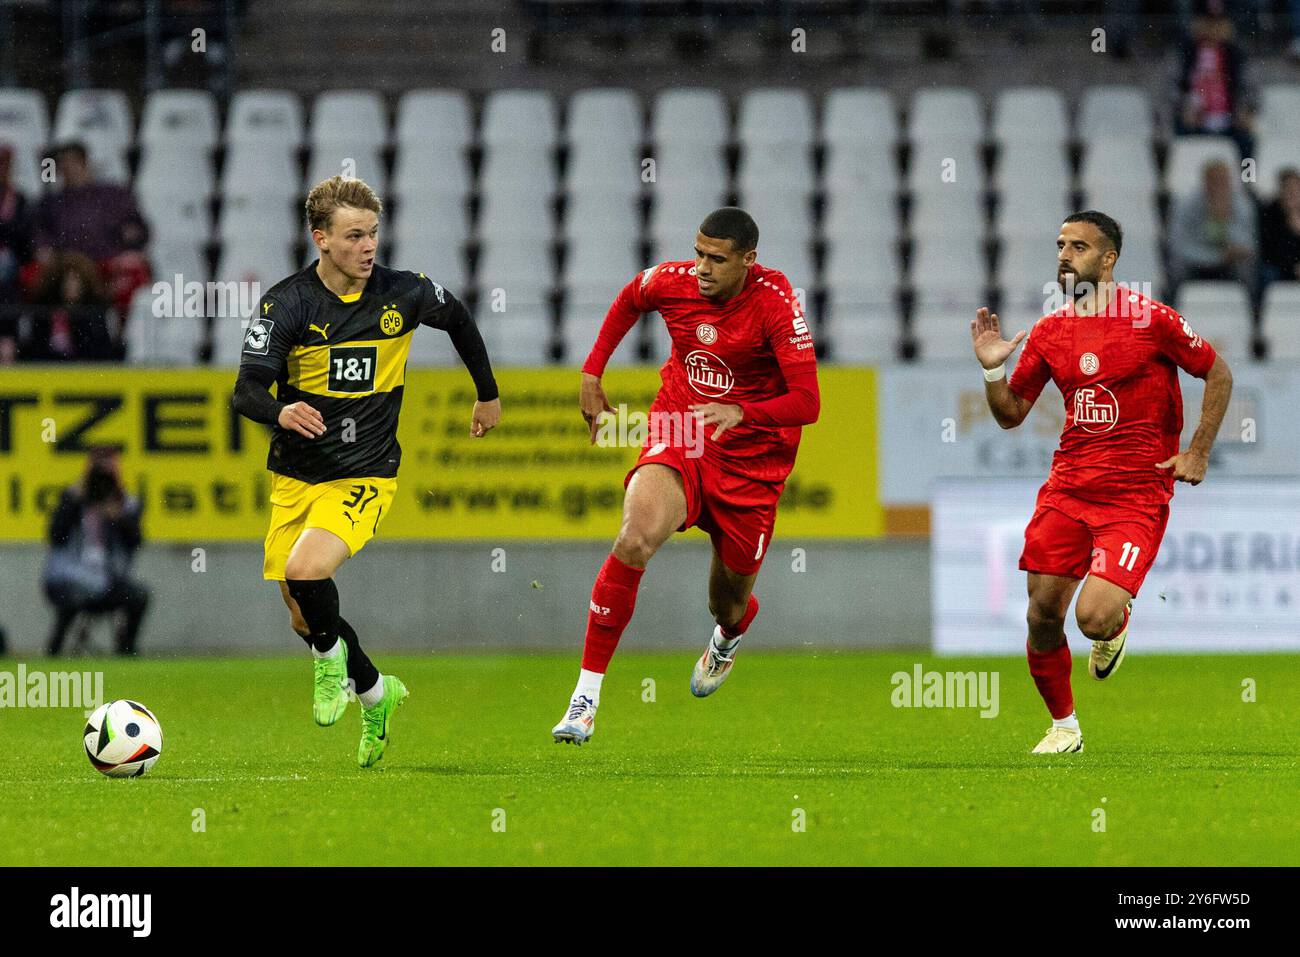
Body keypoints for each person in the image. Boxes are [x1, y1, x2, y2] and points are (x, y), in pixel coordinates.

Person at [232, 175, 501, 768]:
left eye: (373, 233)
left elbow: (457, 318)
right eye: (354, 235)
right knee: (304, 611)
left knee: (308, 572)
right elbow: (245, 391)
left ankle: (330, 667)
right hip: (296, 475)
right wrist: (280, 408)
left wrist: (487, 393)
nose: (368, 246)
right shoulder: (288, 304)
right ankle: (377, 694)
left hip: (365, 472)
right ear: (321, 238)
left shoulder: (402, 293)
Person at [551, 207, 820, 745]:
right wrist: (592, 369)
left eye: (716, 259)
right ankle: (585, 698)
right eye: (698, 252)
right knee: (633, 539)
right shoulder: (674, 282)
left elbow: (808, 402)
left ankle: (729, 633)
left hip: (753, 463)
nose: (701, 267)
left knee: (729, 602)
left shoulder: (774, 301)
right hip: (684, 431)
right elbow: (632, 296)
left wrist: (744, 412)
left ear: (748, 261)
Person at [972, 210, 1232, 754]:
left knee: (1091, 618)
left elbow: (1218, 372)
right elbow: (1011, 413)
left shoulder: (1151, 320)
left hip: (1136, 494)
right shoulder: (1048, 332)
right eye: (1062, 244)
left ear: (1109, 259)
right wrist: (993, 370)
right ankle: (1065, 727)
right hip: (1068, 490)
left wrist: (1199, 452)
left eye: (1080, 247)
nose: (1065, 255)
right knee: (1042, 614)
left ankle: (1115, 624)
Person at [43, 448, 149, 656]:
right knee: (72, 591)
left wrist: (118, 518)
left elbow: (135, 542)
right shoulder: (72, 499)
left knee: (139, 596)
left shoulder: (125, 503)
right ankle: (54, 649)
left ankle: (126, 650)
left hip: (106, 580)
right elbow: (55, 536)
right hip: (69, 578)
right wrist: (74, 501)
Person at [28, 141, 150, 318]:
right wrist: (43, 249)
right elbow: (40, 235)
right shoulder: (51, 202)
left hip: (109, 265)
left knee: (135, 276)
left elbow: (140, 231)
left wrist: (132, 248)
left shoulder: (114, 195)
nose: (68, 168)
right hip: (68, 267)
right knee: (31, 278)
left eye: (72, 162)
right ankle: (56, 335)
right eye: (63, 164)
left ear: (84, 162)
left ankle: (125, 336)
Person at [1173, 0, 1256, 160]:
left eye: (1219, 23)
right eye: (1209, 23)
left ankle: (1248, 180)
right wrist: (1182, 106)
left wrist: (1245, 109)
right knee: (1173, 139)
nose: (1214, 29)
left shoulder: (1236, 55)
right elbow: (1168, 86)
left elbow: (1250, 87)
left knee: (1248, 140)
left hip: (1228, 118)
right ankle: (1170, 181)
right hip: (1194, 118)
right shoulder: (1184, 53)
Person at [1168, 159, 1257, 294]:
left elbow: (1247, 244)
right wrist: (1217, 257)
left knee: (1248, 269)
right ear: (1205, 182)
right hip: (1194, 265)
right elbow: (1178, 246)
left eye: (1223, 181)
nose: (1219, 187)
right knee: (1176, 269)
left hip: (1229, 266)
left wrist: (1225, 221)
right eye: (1214, 181)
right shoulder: (1186, 204)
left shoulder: (1241, 204)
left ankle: (1250, 309)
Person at [20, 251, 118, 360]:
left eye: (76, 280)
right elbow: (35, 349)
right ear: (58, 282)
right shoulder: (43, 314)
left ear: (84, 283)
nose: (71, 285)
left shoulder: (95, 314)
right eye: (67, 280)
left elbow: (100, 351)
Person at [1259, 167, 1300, 287]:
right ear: (1280, 191)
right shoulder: (1269, 213)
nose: (1292, 193)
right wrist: (1293, 267)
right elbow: (1270, 251)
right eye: (1287, 189)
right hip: (1280, 267)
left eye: (1295, 189)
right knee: (1267, 273)